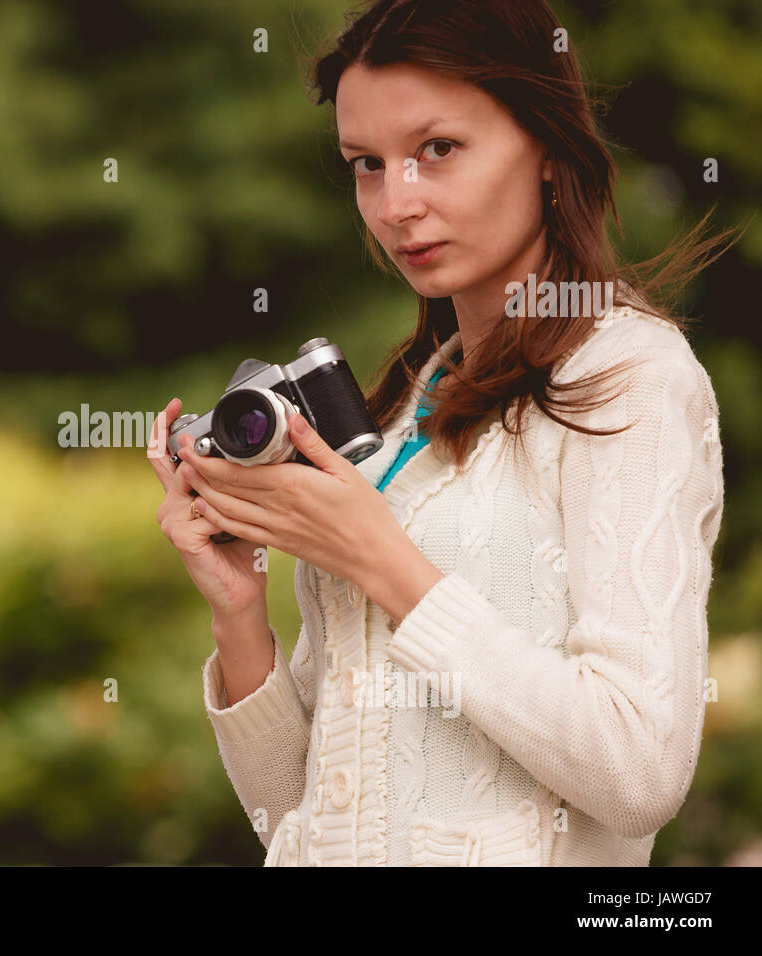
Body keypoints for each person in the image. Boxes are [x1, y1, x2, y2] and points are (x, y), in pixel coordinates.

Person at [147, 0, 738, 866]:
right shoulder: (391, 422)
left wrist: (383, 562)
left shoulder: (631, 378)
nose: (396, 204)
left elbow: (640, 769)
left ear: (543, 146)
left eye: (438, 150)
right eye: (366, 165)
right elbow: (295, 819)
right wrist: (238, 613)